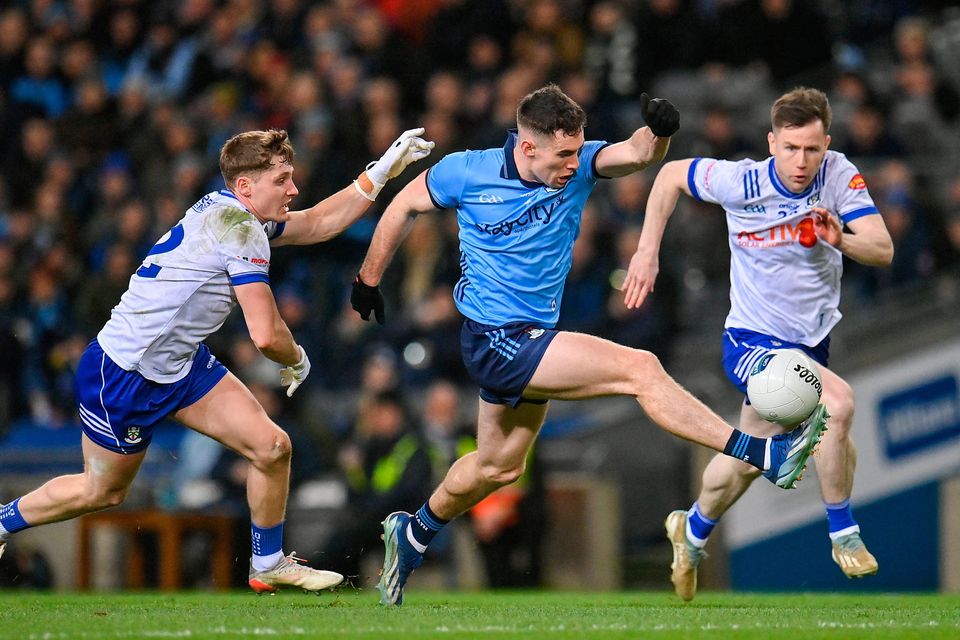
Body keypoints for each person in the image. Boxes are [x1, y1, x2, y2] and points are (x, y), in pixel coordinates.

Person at [349, 83, 829, 606]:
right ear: (527, 147)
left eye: (578, 151)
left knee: (499, 467)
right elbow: (401, 207)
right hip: (497, 339)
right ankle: (761, 453)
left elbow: (637, 152)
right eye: (563, 154)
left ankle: (413, 531)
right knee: (640, 368)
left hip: (529, 338)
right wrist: (368, 280)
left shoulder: (577, 163)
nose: (574, 164)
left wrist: (661, 131)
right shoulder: (467, 170)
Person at [0, 126, 434, 593]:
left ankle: (267, 563)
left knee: (272, 447)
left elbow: (317, 223)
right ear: (245, 186)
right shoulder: (241, 229)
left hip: (180, 365)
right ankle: (3, 521)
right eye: (282, 179)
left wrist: (382, 170)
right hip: (123, 372)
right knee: (101, 491)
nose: (293, 188)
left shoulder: (233, 213)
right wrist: (297, 358)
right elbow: (266, 336)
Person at [623, 87, 894, 601]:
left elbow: (882, 249)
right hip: (752, 339)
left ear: (827, 144)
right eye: (791, 148)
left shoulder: (839, 175)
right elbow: (668, 176)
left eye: (812, 149)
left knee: (748, 459)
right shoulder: (741, 180)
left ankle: (692, 529)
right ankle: (844, 535)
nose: (801, 161)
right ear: (772, 143)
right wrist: (646, 252)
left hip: (810, 343)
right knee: (838, 406)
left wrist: (842, 239)